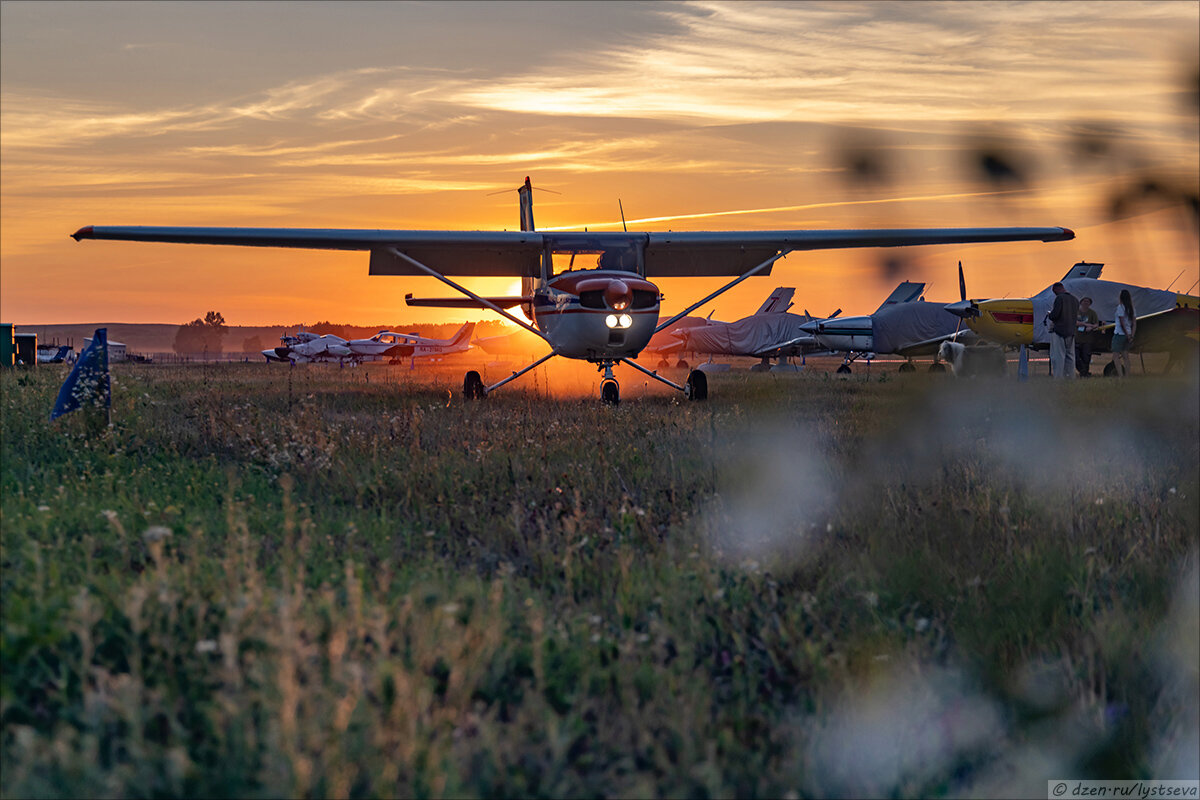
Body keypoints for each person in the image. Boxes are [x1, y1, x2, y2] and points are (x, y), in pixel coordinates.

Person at [1046, 282, 1079, 379]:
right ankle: (1071, 377)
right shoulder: (1075, 299)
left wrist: (1049, 315)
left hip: (1059, 331)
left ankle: (1059, 378)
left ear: (1056, 290)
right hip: (1071, 331)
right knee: (1070, 356)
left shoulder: (1059, 298)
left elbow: (1055, 315)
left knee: (1058, 356)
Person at [1110, 288, 1136, 377]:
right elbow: (1134, 323)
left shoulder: (1120, 307)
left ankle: (1121, 375)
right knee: (1125, 356)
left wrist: (1126, 334)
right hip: (1128, 334)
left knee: (1115, 357)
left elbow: (1122, 323)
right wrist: (1131, 335)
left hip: (1119, 334)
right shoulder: (1132, 308)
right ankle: (1127, 376)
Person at [1075, 296, 1100, 376]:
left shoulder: (1092, 313)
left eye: (1088, 302)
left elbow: (1096, 324)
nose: (1086, 303)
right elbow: (1075, 322)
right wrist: (1085, 324)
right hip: (1076, 338)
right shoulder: (1076, 312)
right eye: (1084, 301)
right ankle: (1083, 371)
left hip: (1087, 339)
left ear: (1090, 304)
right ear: (1081, 302)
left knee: (1086, 358)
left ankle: (1085, 374)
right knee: (1076, 358)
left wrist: (1091, 327)